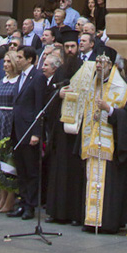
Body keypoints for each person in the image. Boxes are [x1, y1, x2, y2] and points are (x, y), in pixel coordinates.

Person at [77, 46, 127, 233]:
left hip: (112, 145)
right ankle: (90, 219)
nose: (99, 66)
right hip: (93, 142)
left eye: (103, 63)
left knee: (109, 185)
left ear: (112, 65)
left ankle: (108, 221)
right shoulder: (93, 84)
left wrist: (109, 109)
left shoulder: (124, 87)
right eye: (98, 63)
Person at [46, 43, 85, 225]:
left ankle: (76, 214)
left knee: (75, 173)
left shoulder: (85, 70)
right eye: (67, 47)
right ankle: (57, 212)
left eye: (72, 47)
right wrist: (58, 94)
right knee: (59, 170)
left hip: (77, 131)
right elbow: (50, 94)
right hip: (61, 130)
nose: (70, 50)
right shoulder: (60, 71)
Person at [10, 46, 47, 220]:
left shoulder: (38, 77)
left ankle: (30, 206)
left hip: (29, 130)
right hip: (17, 129)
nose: (17, 60)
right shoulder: (20, 77)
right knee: (21, 170)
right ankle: (22, 201)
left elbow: (39, 106)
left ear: (29, 59)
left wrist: (36, 133)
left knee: (31, 170)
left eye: (20, 57)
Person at [0, 50, 21, 214]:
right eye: (5, 62)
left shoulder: (18, 81)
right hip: (1, 119)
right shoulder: (3, 80)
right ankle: (1, 196)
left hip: (11, 120)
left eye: (9, 62)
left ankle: (10, 198)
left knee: (10, 162)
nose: (6, 65)